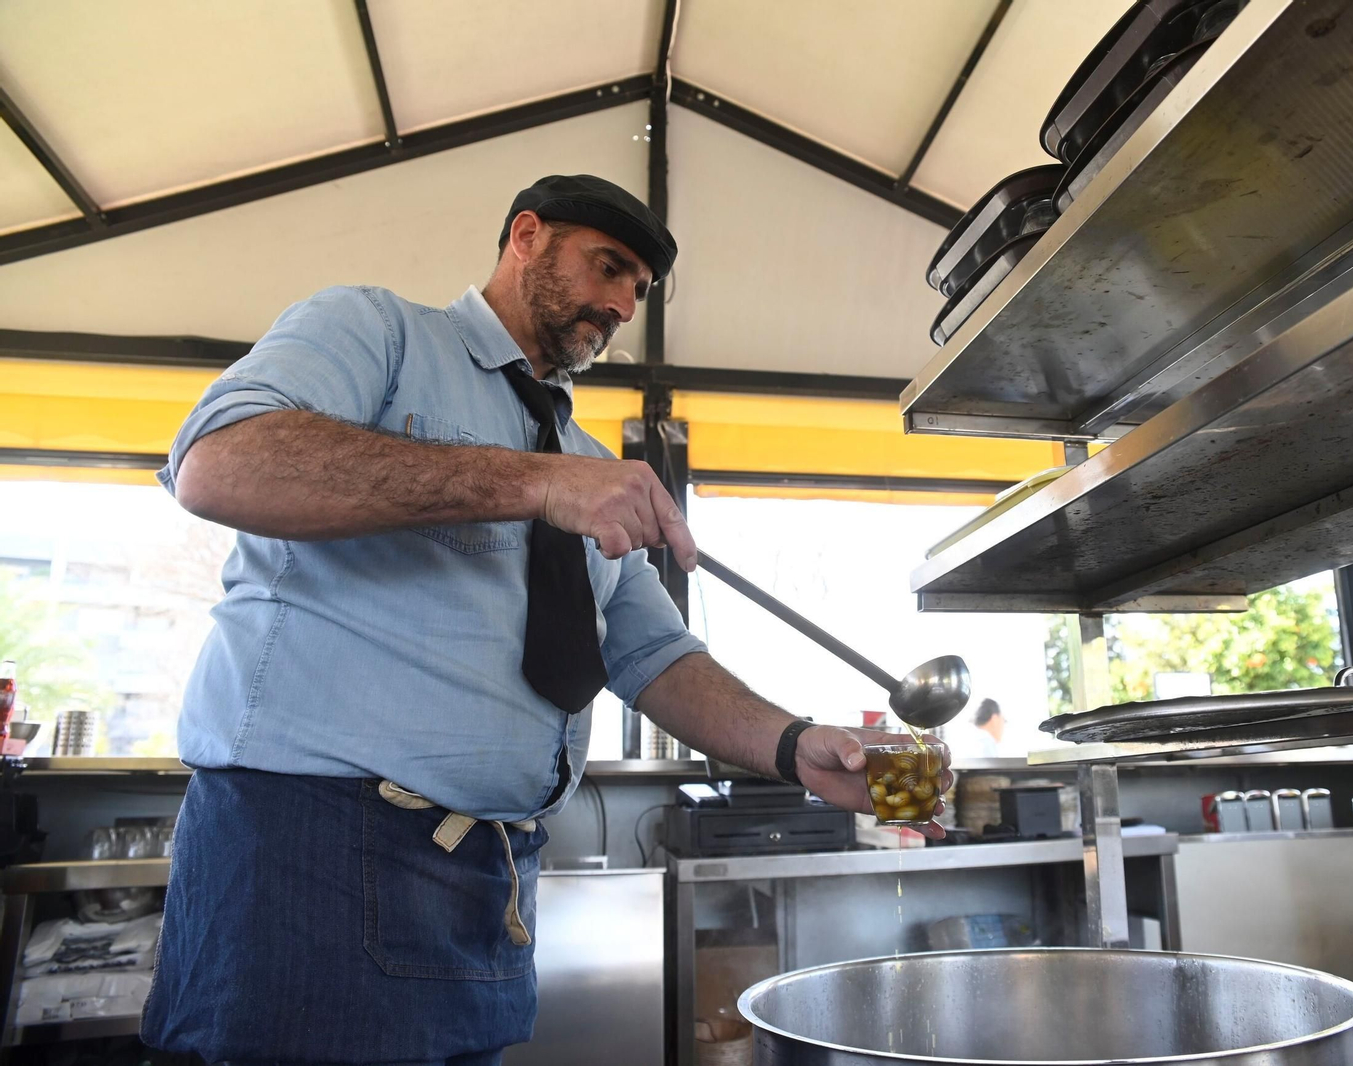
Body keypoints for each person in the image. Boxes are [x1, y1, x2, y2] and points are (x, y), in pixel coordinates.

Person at [140, 174, 950, 1066]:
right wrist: (536, 483)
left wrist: (796, 746)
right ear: (525, 236)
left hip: (493, 884)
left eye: (636, 292)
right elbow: (220, 462)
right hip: (313, 855)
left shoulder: (586, 462)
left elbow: (651, 653)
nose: (617, 305)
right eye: (607, 268)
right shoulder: (378, 331)